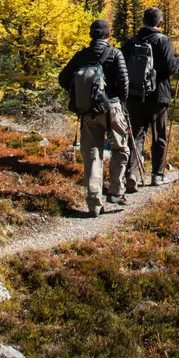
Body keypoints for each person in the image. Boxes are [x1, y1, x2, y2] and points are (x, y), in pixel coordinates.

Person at [57, 19, 130, 216]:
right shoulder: (115, 53)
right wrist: (119, 101)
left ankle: (93, 201)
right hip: (112, 107)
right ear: (108, 35)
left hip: (88, 112)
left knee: (92, 154)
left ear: (91, 35)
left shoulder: (81, 55)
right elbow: (124, 82)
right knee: (120, 148)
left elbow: (63, 78)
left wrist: (78, 93)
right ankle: (116, 190)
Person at [121, 7, 179, 192]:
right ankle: (157, 175)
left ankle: (131, 174)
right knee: (159, 136)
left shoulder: (131, 42)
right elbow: (170, 68)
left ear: (144, 21)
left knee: (135, 135)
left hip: (135, 95)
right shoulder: (163, 41)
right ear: (160, 23)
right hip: (158, 96)